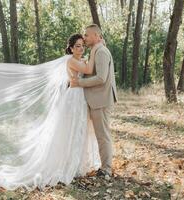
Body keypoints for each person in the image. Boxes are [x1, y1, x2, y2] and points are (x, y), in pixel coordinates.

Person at [0, 30, 107, 191]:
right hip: (73, 98)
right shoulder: (71, 61)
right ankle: (66, 165)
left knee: (78, 130)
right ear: (70, 48)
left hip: (78, 97)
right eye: (77, 46)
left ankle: (76, 163)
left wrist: (92, 51)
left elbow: (87, 68)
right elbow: (90, 69)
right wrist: (96, 47)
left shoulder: (79, 60)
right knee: (71, 130)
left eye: (83, 46)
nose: (81, 49)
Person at [70, 24, 118, 177]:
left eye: (87, 35)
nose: (84, 38)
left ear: (97, 36)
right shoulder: (96, 50)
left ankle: (106, 169)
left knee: (102, 136)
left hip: (101, 100)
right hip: (97, 99)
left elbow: (101, 78)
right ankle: (104, 166)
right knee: (99, 134)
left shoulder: (101, 52)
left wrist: (79, 83)